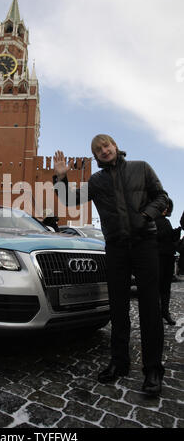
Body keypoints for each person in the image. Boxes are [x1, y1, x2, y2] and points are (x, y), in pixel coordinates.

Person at [53, 134, 168, 396]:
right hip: (115, 248)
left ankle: (152, 369)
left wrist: (144, 216)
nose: (104, 151)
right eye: (98, 149)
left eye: (106, 145)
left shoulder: (141, 168)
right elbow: (70, 201)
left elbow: (162, 197)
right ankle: (119, 362)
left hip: (144, 244)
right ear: (95, 156)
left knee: (150, 307)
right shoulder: (97, 180)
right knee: (118, 307)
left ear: (115, 146)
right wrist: (60, 178)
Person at [155, 199, 181, 325]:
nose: (166, 209)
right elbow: (154, 237)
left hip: (168, 257)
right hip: (158, 257)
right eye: (164, 207)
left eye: (168, 207)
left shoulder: (167, 221)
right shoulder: (153, 220)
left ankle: (165, 312)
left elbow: (170, 240)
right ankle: (156, 313)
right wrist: (168, 233)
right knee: (157, 286)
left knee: (166, 287)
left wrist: (175, 234)